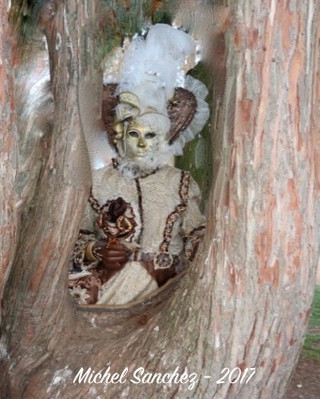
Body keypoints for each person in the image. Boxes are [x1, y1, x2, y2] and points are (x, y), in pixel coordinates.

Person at [68, 24, 209, 306]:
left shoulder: (180, 183)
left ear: (163, 138)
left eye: (151, 135)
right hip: (109, 279)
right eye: (135, 134)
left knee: (137, 274)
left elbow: (197, 235)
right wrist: (97, 251)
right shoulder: (98, 182)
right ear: (120, 134)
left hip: (165, 282)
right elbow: (76, 239)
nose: (143, 144)